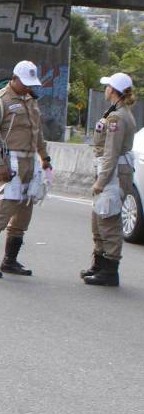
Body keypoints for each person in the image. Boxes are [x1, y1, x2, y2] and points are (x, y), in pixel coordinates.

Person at [0, 60, 52, 278]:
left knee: (24, 213)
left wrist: (45, 156)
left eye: (30, 84)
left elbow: (37, 131)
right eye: (25, 83)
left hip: (30, 162)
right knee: (3, 211)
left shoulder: (31, 101)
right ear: (14, 78)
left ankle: (10, 260)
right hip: (11, 161)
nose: (28, 87)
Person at [81, 73, 137, 286]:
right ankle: (99, 265)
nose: (105, 90)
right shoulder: (116, 112)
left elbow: (111, 152)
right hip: (110, 170)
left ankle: (110, 271)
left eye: (107, 87)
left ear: (113, 90)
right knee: (99, 220)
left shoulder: (117, 118)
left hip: (112, 173)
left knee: (108, 221)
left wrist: (101, 181)